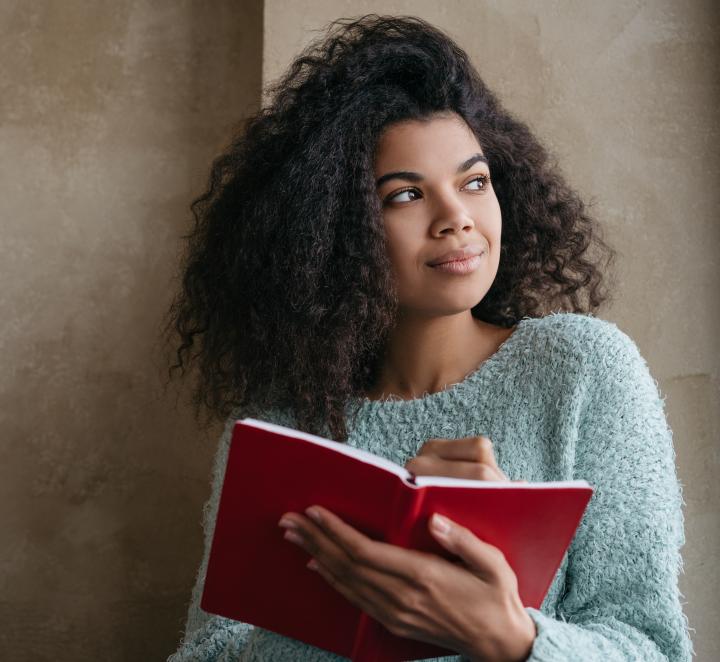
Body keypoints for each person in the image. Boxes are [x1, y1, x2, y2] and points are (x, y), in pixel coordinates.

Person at [163, 14, 694, 661]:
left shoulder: (582, 370)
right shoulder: (280, 423)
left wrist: (508, 633)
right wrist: (344, 599)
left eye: (474, 181)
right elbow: (204, 655)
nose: (456, 219)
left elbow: (655, 648)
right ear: (333, 229)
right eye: (405, 195)